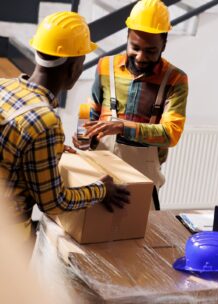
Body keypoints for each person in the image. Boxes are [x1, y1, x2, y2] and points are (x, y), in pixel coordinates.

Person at [0, 12, 130, 245]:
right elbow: (53, 202)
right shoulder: (46, 122)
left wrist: (52, 150)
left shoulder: (4, 87)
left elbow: (10, 150)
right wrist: (101, 190)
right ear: (75, 68)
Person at [73, 0, 188, 210]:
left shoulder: (175, 80)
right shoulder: (105, 66)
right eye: (135, 48)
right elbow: (91, 107)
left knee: (133, 236)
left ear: (164, 44)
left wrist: (122, 126)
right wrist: (82, 134)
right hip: (101, 168)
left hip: (142, 174)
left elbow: (171, 134)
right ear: (127, 37)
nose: (141, 57)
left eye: (151, 51)